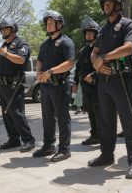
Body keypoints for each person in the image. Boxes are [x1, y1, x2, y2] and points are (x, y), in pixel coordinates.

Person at [88, 0, 132, 179]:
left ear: (117, 5)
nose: (106, 6)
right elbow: (94, 53)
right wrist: (96, 64)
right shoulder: (102, 30)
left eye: (109, 3)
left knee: (128, 120)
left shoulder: (128, 24)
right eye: (104, 4)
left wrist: (105, 58)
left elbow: (128, 48)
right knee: (106, 120)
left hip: (121, 79)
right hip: (104, 80)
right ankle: (106, 155)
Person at [33, 10, 75, 162]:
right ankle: (49, 145)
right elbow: (39, 61)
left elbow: (70, 63)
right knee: (47, 118)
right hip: (46, 86)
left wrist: (51, 71)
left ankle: (65, 149)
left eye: (52, 22)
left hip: (60, 85)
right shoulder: (45, 43)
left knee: (63, 118)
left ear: (60, 24)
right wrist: (38, 73)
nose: (48, 25)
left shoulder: (66, 42)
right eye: (47, 23)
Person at [0, 18, 35, 153]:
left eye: (6, 28)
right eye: (2, 29)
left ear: (13, 29)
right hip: (2, 85)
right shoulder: (4, 45)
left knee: (17, 113)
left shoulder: (20, 43)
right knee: (6, 114)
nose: (3, 31)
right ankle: (13, 139)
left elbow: (21, 59)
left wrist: (6, 53)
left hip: (14, 84)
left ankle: (28, 140)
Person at [73, 17, 101, 145]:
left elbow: (105, 65)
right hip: (85, 87)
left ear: (96, 34)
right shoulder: (83, 51)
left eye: (91, 32)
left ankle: (103, 136)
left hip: (98, 86)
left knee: (99, 111)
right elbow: (78, 68)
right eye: (87, 32)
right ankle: (94, 135)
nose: (88, 34)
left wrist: (94, 75)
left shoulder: (100, 49)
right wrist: (75, 83)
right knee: (90, 111)